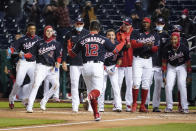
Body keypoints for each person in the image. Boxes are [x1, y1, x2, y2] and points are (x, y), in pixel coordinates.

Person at [69, 20, 125, 121]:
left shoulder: (82, 39)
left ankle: (96, 114)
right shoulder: (103, 39)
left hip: (85, 67)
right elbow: (115, 51)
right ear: (99, 29)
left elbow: (72, 54)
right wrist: (123, 43)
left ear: (90, 28)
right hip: (97, 66)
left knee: (92, 91)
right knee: (98, 91)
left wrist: (69, 48)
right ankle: (89, 96)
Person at [26, 25, 62, 113]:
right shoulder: (39, 43)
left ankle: (44, 101)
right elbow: (31, 54)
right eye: (47, 31)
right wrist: (24, 55)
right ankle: (29, 106)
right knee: (36, 85)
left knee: (56, 85)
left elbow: (59, 56)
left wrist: (58, 62)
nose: (49, 33)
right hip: (40, 67)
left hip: (51, 68)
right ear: (44, 32)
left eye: (51, 31)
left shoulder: (56, 44)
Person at [8, 22, 40, 109]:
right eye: (31, 29)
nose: (33, 30)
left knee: (36, 82)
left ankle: (26, 99)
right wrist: (10, 50)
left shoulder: (38, 39)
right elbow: (13, 47)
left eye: (34, 29)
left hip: (33, 63)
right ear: (28, 29)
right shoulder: (22, 39)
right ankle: (11, 98)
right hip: (23, 62)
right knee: (18, 82)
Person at [131, 17, 159, 113]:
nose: (145, 24)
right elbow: (133, 44)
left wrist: (151, 46)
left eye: (147, 22)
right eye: (143, 22)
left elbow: (156, 49)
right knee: (136, 82)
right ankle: (134, 104)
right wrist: (145, 43)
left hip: (148, 60)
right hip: (137, 59)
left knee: (146, 84)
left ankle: (142, 105)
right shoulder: (136, 32)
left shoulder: (154, 34)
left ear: (150, 24)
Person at [62, 17, 89, 112]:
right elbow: (65, 49)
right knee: (74, 84)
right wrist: (64, 61)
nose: (79, 25)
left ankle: (89, 104)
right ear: (74, 24)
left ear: (83, 24)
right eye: (77, 24)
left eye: (80, 24)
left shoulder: (87, 34)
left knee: (89, 84)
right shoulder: (69, 34)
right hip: (74, 62)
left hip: (85, 62)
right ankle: (75, 105)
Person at [162, 32, 191, 114]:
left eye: (175, 39)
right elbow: (164, 62)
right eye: (172, 39)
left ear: (178, 39)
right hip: (171, 67)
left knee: (182, 84)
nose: (173, 41)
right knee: (168, 86)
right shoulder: (167, 48)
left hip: (182, 66)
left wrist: (189, 75)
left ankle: (184, 107)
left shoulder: (184, 48)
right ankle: (169, 106)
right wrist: (164, 75)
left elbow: (188, 62)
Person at [98, 29, 122, 112]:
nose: (111, 36)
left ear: (115, 36)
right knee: (102, 87)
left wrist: (116, 67)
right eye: (109, 35)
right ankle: (100, 107)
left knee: (116, 87)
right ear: (106, 36)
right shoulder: (102, 44)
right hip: (103, 67)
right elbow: (99, 59)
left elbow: (120, 58)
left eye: (112, 35)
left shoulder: (117, 44)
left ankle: (118, 106)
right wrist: (104, 67)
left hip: (113, 66)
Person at [116, 17, 134, 112]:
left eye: (127, 24)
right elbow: (117, 46)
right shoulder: (118, 33)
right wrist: (125, 45)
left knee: (129, 84)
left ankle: (128, 104)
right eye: (124, 24)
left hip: (131, 63)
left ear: (130, 25)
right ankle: (117, 104)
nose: (124, 25)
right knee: (117, 84)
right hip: (120, 62)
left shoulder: (134, 33)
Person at [152, 17, 169, 112]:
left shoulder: (166, 35)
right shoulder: (151, 33)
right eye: (158, 23)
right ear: (155, 23)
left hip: (159, 63)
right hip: (150, 62)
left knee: (158, 85)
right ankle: (145, 104)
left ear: (164, 24)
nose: (160, 25)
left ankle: (155, 106)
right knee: (147, 84)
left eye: (161, 23)